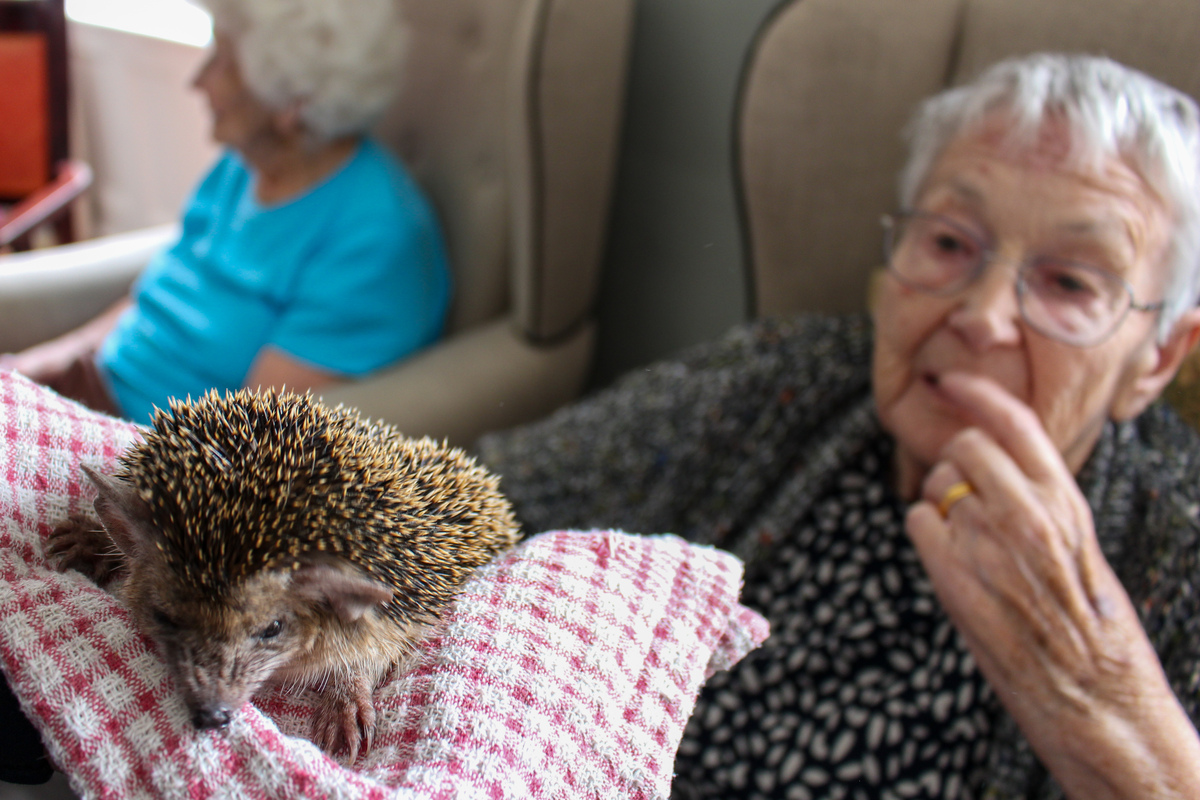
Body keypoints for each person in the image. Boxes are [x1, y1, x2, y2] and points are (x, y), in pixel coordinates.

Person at [476, 53, 1200, 799]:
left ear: (1156, 360)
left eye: (1071, 283)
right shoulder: (784, 381)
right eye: (950, 243)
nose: (983, 317)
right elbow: (488, 493)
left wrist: (1097, 703)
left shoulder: (1179, 545)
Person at [0, 0, 450, 425]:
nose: (198, 81)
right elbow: (152, 301)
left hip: (150, 455)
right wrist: (28, 371)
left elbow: (244, 450)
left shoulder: (373, 238)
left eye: (224, 61)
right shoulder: (242, 167)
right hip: (92, 395)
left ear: (294, 102)